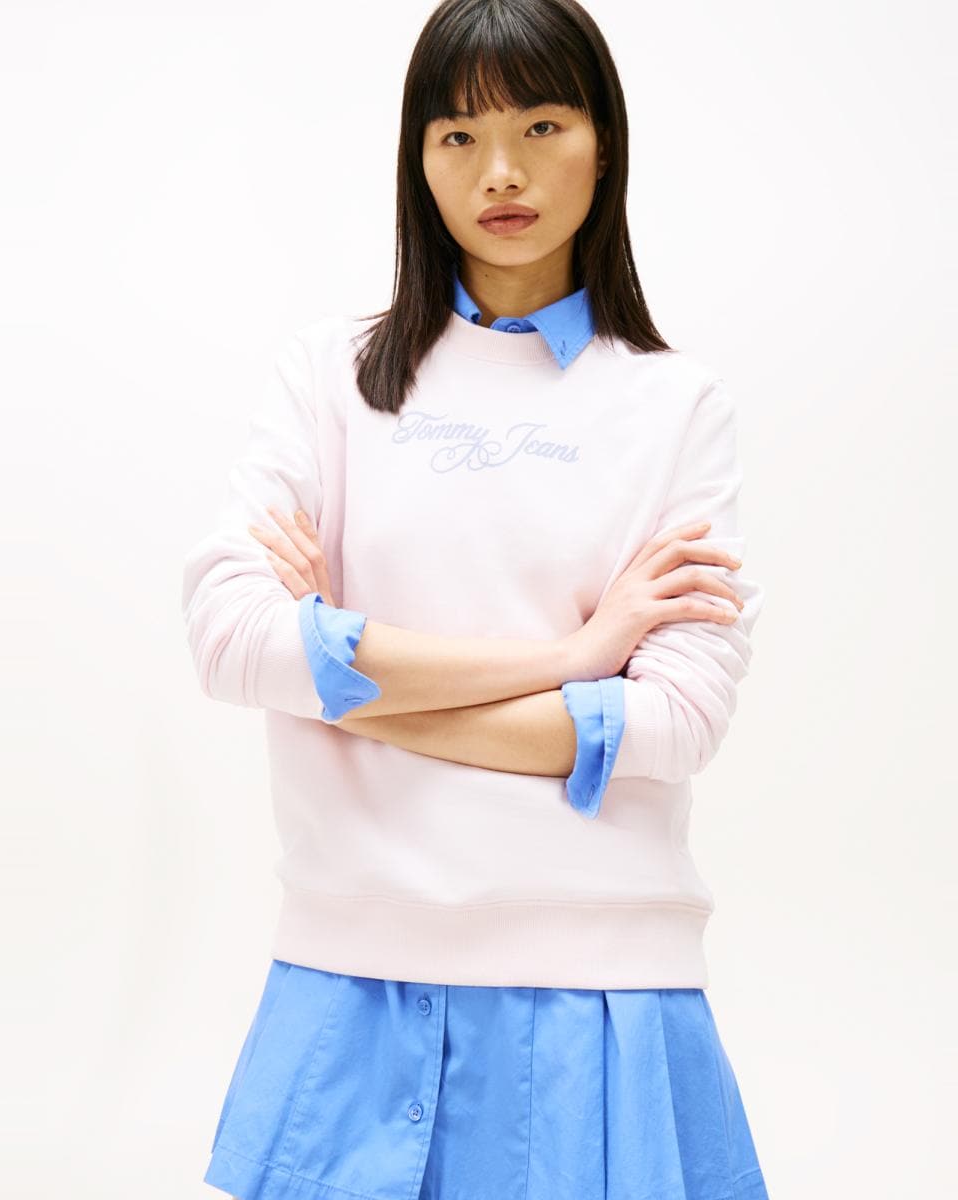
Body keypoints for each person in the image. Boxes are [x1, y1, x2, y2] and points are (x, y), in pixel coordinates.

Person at [181, 1, 771, 1197]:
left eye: (540, 125)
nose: (499, 171)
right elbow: (231, 640)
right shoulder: (332, 379)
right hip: (352, 977)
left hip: (604, 992)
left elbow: (673, 722)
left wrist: (345, 682)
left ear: (603, 144)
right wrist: (578, 653)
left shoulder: (673, 406)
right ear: (418, 159)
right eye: (457, 136)